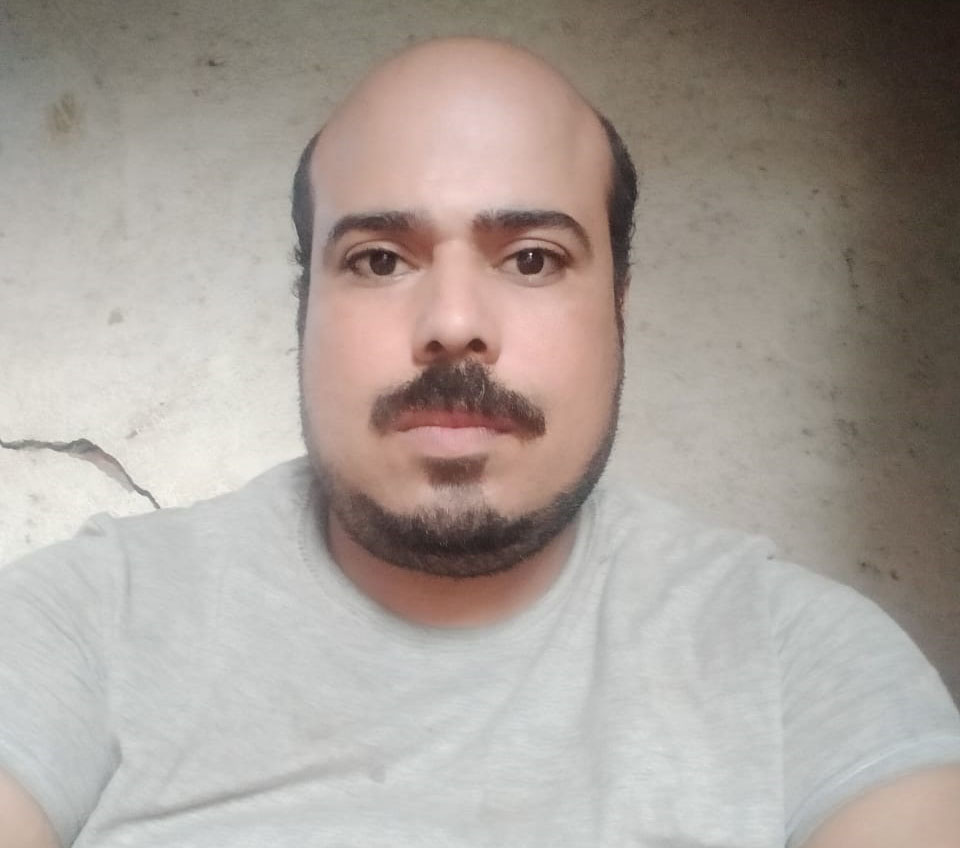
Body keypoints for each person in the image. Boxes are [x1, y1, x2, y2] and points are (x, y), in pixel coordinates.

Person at [1, 36, 958, 848]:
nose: (454, 323)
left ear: (618, 307)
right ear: (304, 308)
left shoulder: (805, 667)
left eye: (533, 259)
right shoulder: (83, 625)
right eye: (379, 259)